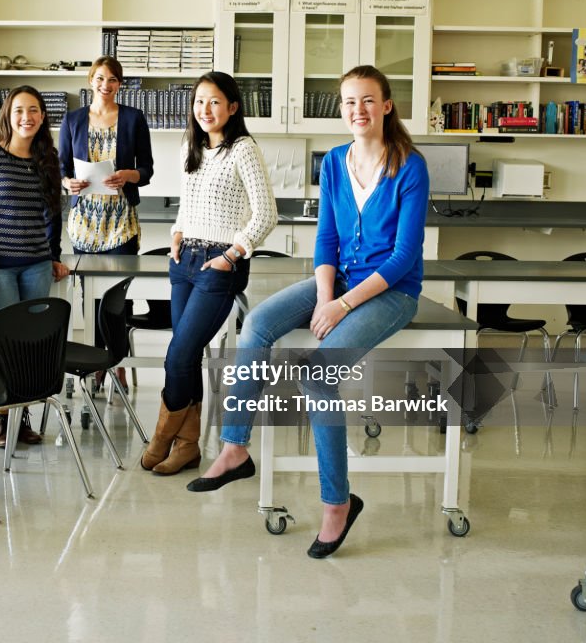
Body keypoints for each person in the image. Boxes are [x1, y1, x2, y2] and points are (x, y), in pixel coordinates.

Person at [189, 65, 429, 561]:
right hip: (337, 280)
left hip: (391, 292)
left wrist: (342, 304)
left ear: (386, 106)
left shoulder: (410, 165)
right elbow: (327, 239)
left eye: (367, 100)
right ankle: (235, 446)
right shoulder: (336, 163)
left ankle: (337, 502)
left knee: (318, 374)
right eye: (348, 102)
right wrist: (325, 295)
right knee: (257, 323)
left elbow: (404, 256)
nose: (357, 110)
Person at [141, 71, 277, 476]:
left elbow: (267, 213)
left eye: (215, 101)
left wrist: (233, 254)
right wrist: (177, 233)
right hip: (184, 262)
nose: (205, 109)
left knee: (177, 354)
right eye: (200, 101)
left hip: (219, 266)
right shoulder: (192, 146)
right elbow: (188, 201)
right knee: (186, 355)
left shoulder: (243, 150)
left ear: (232, 107)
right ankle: (188, 447)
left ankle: (163, 437)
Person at [0, 85, 71, 447]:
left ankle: (21, 417)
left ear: (43, 117)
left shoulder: (48, 160)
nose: (26, 117)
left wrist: (54, 255)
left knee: (31, 344)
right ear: (7, 117)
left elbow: (53, 215)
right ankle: (4, 419)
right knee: (5, 344)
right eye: (19, 111)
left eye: (34, 110)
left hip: (37, 266)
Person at [59, 56, 153, 389]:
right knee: (89, 297)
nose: (105, 85)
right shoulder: (72, 120)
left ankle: (118, 362)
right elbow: (60, 168)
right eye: (100, 78)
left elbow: (148, 170)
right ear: (90, 81)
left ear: (119, 84)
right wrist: (66, 182)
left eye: (112, 79)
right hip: (85, 220)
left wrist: (130, 175)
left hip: (121, 221)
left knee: (117, 298)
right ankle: (100, 361)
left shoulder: (133, 119)